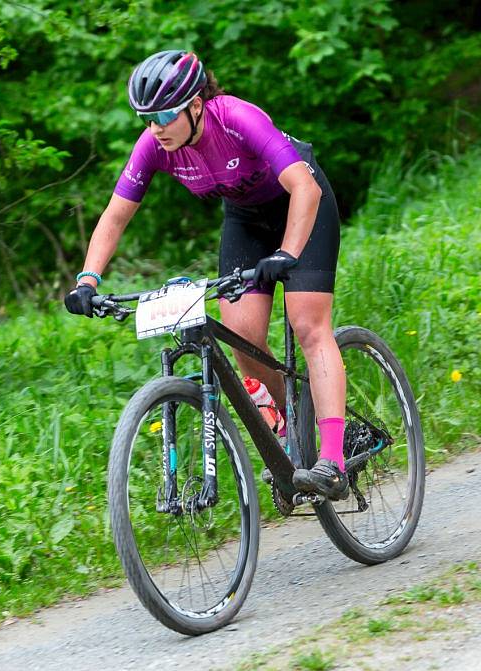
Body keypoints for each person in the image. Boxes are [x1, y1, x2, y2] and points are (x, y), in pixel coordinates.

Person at [64, 50, 348, 500]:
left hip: (302, 205)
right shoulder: (154, 146)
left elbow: (304, 187)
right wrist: (88, 280)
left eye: (163, 114)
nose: (154, 126)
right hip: (246, 219)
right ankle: (293, 413)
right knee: (244, 338)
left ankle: (333, 460)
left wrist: (288, 252)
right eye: (146, 117)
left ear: (195, 104)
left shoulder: (236, 118)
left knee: (309, 326)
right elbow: (115, 217)